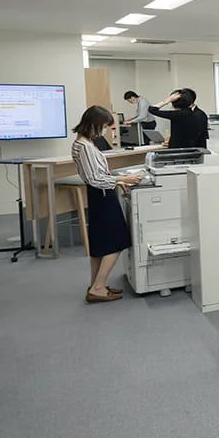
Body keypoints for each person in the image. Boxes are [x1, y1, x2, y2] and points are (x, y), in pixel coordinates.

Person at [71, 106, 142, 303]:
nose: (104, 130)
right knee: (116, 242)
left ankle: (95, 285)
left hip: (99, 194)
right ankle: (98, 288)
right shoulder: (85, 147)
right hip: (102, 196)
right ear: (93, 124)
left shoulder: (84, 143)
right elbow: (95, 179)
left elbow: (99, 174)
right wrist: (123, 179)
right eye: (103, 126)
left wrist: (118, 181)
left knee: (100, 244)